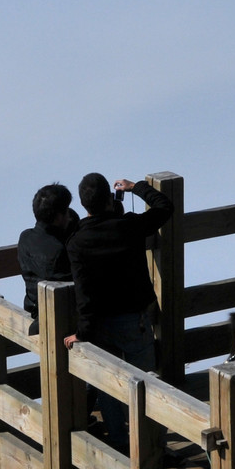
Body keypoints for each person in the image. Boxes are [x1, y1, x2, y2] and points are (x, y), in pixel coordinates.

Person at [65, 173, 174, 452]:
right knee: (148, 381)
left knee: (108, 386)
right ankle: (153, 447)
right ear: (109, 199)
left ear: (83, 204)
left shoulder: (77, 241)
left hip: (100, 324)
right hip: (134, 320)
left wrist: (82, 332)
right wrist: (136, 187)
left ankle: (119, 443)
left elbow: (83, 294)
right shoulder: (127, 226)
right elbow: (165, 208)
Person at [17, 182, 76, 322]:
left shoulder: (25, 238)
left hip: (34, 311)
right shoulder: (60, 250)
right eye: (66, 211)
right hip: (62, 318)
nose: (70, 215)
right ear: (59, 217)